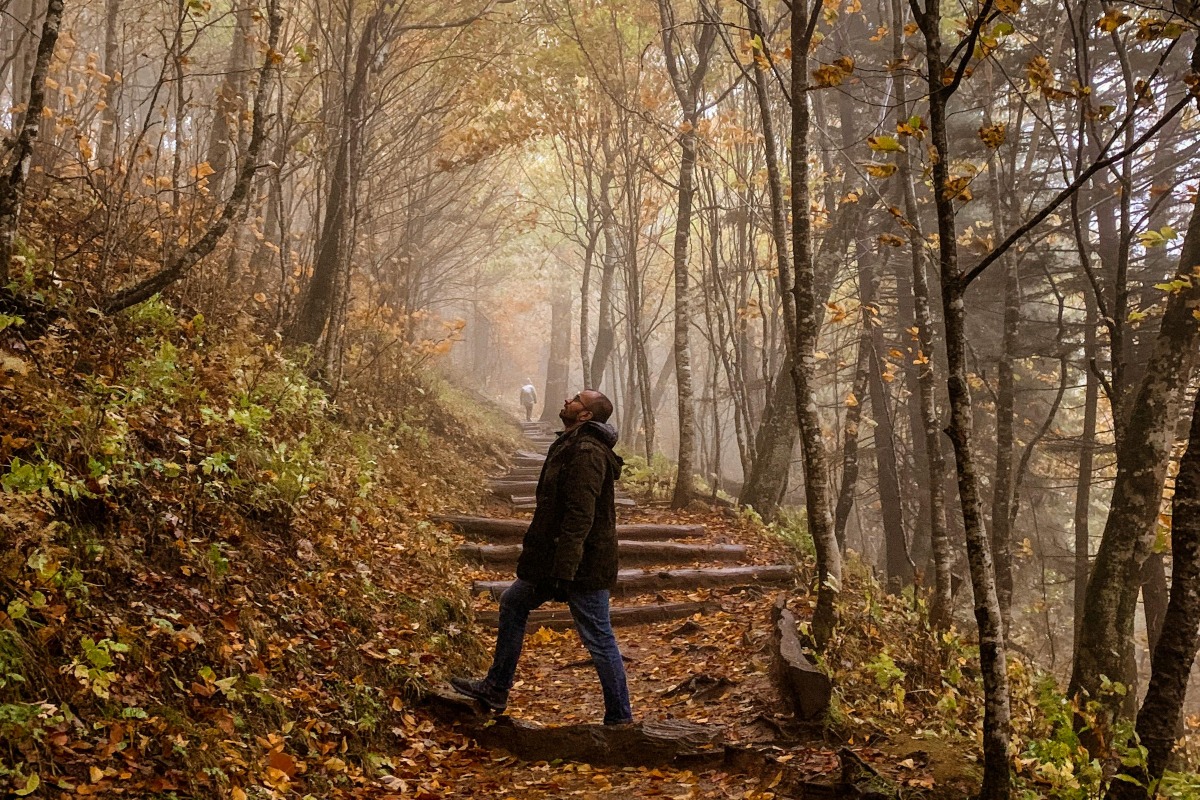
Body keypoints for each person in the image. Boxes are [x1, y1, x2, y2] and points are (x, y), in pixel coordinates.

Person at [452, 389, 632, 725]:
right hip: (555, 560)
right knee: (513, 603)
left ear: (586, 416)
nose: (568, 400)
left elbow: (581, 516)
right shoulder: (570, 443)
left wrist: (565, 572)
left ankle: (620, 719)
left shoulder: (588, 452)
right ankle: (496, 687)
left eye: (577, 399)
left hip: (583, 565)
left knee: (599, 637)